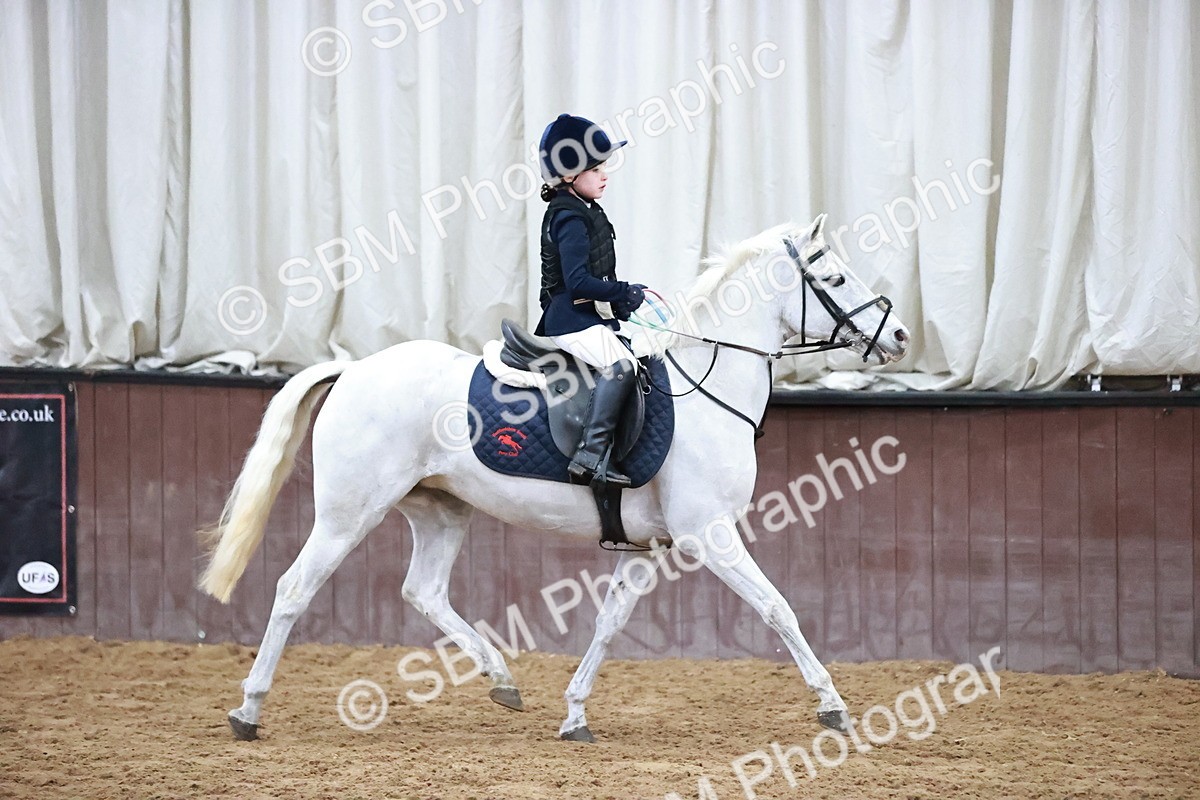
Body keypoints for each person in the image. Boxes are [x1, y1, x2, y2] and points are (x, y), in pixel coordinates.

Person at [534, 113, 647, 488]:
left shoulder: (585, 208)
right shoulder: (569, 217)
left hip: (583, 316)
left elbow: (595, 278)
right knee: (622, 366)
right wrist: (623, 291)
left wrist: (619, 304)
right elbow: (578, 281)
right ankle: (590, 455)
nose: (604, 175)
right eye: (595, 169)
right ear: (569, 175)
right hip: (567, 320)